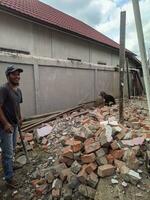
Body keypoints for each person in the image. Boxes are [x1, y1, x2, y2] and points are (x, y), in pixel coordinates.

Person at [0, 65, 23, 188]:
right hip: (5, 127)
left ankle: (11, 165)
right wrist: (5, 123)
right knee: (7, 153)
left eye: (18, 74)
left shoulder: (18, 90)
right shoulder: (3, 89)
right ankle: (9, 178)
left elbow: (18, 105)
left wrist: (20, 117)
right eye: (14, 74)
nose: (17, 76)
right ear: (8, 76)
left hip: (14, 125)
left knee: (13, 148)